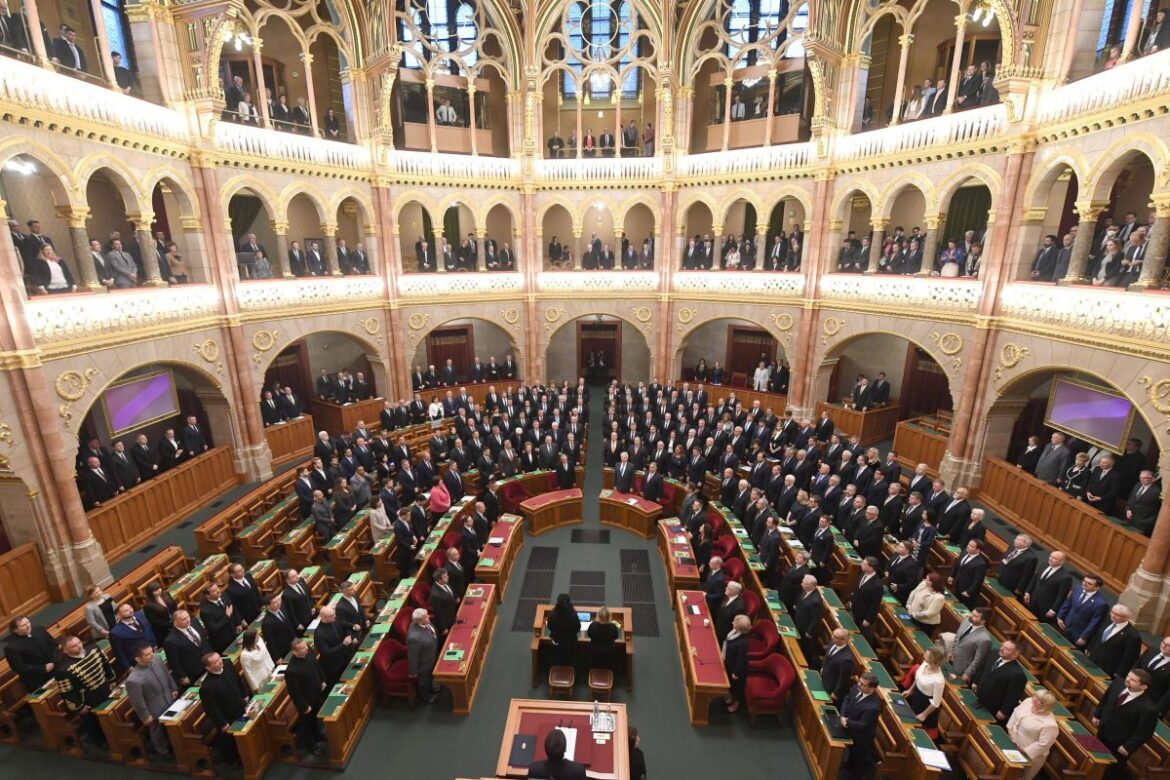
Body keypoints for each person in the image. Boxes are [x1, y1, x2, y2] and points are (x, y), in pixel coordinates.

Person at [1093, 669, 1159, 779]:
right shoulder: (1118, 684)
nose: (1128, 680)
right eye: (1128, 676)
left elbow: (1145, 732)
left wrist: (1128, 746)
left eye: (1133, 680)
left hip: (1119, 744)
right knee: (1097, 759)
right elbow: (1105, 700)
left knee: (1111, 771)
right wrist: (1097, 714)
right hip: (1103, 731)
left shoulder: (1149, 708)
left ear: (1143, 687)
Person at [54, 635, 115, 749]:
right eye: (74, 646)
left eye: (79, 643)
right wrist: (79, 707)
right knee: (93, 722)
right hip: (87, 699)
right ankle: (100, 741)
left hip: (104, 688)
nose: (79, 646)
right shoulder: (62, 670)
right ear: (66, 651)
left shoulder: (94, 649)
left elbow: (105, 663)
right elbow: (66, 692)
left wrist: (111, 679)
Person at [125, 643, 178, 757]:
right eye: (148, 654)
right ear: (138, 659)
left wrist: (173, 688)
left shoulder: (157, 659)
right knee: (157, 732)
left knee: (171, 726)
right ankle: (163, 751)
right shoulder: (133, 680)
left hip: (168, 698)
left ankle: (175, 745)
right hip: (154, 709)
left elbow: (166, 674)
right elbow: (137, 701)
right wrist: (145, 716)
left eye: (151, 652)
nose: (152, 655)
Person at [199, 652, 247, 766]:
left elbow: (238, 679)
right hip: (228, 716)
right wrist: (222, 723)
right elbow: (211, 708)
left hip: (240, 706)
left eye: (219, 659)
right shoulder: (206, 687)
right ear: (208, 668)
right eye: (215, 662)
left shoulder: (228, 664)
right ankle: (235, 759)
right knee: (232, 740)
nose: (220, 662)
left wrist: (245, 694)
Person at [285, 639, 327, 756]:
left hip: (316, 693)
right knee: (307, 723)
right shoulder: (291, 670)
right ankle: (310, 745)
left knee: (316, 718)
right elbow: (295, 692)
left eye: (305, 647)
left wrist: (322, 680)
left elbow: (316, 667)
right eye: (303, 649)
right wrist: (304, 706)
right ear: (294, 652)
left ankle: (317, 735)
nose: (306, 649)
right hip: (306, 701)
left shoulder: (308, 654)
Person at [1006, 690, 1060, 780]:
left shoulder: (1050, 725)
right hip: (1012, 741)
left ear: (1046, 706)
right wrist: (1009, 729)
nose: (1034, 700)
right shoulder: (1028, 701)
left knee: (1019, 777)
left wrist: (1025, 750)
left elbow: (1044, 744)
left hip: (1029, 755)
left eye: (1040, 701)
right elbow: (1016, 712)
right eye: (1036, 696)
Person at [838, 672, 881, 780]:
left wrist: (847, 721)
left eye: (862, 684)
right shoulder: (857, 689)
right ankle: (847, 768)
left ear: (872, 688)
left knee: (858, 761)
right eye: (859, 682)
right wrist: (843, 715)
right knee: (851, 756)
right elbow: (847, 698)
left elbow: (864, 725)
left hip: (861, 738)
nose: (858, 685)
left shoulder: (873, 707)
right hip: (850, 729)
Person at [971, 641, 1027, 723]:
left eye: (1006, 649)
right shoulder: (994, 653)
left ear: (1015, 654)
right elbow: (982, 667)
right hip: (979, 698)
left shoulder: (1017, 674)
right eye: (1002, 646)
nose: (1001, 649)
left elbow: (1013, 696)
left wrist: (1004, 711)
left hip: (993, 708)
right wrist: (975, 681)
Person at [4, 616, 57, 691]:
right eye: (23, 625)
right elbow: (20, 668)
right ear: (15, 630)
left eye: (28, 622)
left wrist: (52, 661)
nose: (28, 626)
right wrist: (44, 668)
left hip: (55, 669)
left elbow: (54, 645)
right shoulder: (11, 647)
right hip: (37, 680)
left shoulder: (39, 629)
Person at [163, 609, 212, 688]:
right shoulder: (170, 640)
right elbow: (174, 662)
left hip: (209, 661)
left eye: (188, 617)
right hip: (194, 671)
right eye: (183, 619)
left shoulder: (195, 622)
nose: (187, 620)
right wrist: (182, 676)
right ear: (175, 623)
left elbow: (204, 640)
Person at [943, 606, 992, 683]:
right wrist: (951, 651)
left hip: (962, 669)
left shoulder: (985, 639)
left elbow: (978, 660)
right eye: (972, 613)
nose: (970, 616)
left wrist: (968, 673)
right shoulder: (966, 621)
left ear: (983, 621)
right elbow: (957, 637)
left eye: (975, 616)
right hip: (951, 660)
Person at [406, 608, 440, 704]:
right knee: (424, 680)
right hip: (424, 663)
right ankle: (426, 697)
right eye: (426, 616)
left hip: (431, 654)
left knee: (431, 676)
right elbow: (412, 656)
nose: (428, 616)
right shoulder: (413, 638)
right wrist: (413, 672)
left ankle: (432, 688)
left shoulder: (425, 622)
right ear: (419, 620)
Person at [722, 613, 751, 713]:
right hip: (729, 661)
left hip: (738, 669)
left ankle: (736, 703)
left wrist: (736, 672)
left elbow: (741, 659)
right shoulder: (734, 632)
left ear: (740, 627)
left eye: (735, 622)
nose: (732, 622)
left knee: (737, 686)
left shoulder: (743, 642)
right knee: (730, 683)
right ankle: (730, 696)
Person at [548, 593, 581, 667]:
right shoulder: (573, 615)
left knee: (558, 656)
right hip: (570, 641)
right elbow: (578, 628)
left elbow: (549, 626)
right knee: (569, 657)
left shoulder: (553, 614)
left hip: (557, 641)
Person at [239, 629, 275, 693]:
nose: (258, 636)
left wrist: (272, 666)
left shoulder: (260, 641)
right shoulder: (245, 655)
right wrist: (255, 687)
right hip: (259, 680)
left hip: (268, 671)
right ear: (251, 640)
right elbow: (247, 672)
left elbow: (266, 654)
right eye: (256, 636)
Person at [587, 606, 620, 672]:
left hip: (594, 652)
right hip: (608, 652)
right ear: (609, 617)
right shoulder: (613, 627)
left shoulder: (593, 625)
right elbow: (616, 636)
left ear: (598, 616)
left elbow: (589, 635)